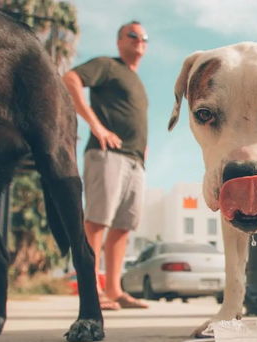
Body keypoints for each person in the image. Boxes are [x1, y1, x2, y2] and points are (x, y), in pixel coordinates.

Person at [63, 21, 150, 309]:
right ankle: (91, 290)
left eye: (144, 38)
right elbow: (71, 79)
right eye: (133, 35)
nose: (140, 41)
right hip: (107, 154)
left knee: (124, 226)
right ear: (119, 41)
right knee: (98, 221)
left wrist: (143, 147)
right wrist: (97, 127)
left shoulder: (136, 79)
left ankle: (114, 290)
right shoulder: (108, 66)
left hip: (134, 160)